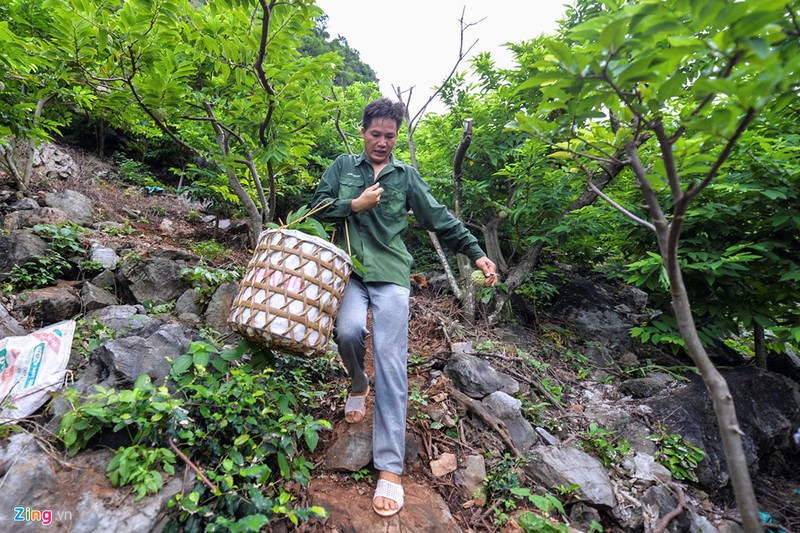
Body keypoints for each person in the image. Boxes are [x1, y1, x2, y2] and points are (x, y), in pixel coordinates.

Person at [311, 97, 497, 517]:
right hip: (347, 271)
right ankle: (358, 382)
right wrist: (353, 205)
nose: (382, 142)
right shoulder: (343, 167)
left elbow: (441, 218)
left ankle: (390, 467)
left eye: (389, 136)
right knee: (347, 332)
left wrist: (476, 252)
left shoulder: (405, 176)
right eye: (375, 134)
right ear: (363, 133)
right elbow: (315, 210)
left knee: (392, 361)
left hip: (392, 274)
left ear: (396, 138)